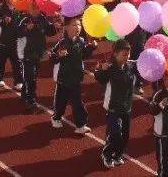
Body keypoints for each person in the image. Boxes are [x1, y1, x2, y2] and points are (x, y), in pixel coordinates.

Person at [49, 16, 95, 132]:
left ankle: (80, 125)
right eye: (74, 25)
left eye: (79, 25)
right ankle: (56, 117)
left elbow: (84, 55)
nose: (78, 27)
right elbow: (52, 59)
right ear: (67, 28)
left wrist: (91, 47)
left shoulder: (81, 41)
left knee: (78, 103)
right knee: (61, 103)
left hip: (76, 78)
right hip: (63, 79)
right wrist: (59, 55)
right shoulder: (62, 43)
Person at [94, 40, 135, 168]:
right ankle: (107, 154)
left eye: (128, 54)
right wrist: (101, 69)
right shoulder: (110, 68)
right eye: (124, 54)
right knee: (115, 134)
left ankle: (118, 155)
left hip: (126, 108)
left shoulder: (130, 67)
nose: (127, 57)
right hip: (113, 108)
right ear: (115, 54)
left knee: (125, 135)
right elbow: (100, 78)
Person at [16, 3, 56, 111]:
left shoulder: (43, 18)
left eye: (37, 7)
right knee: (31, 78)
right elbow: (16, 32)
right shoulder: (24, 19)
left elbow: (49, 32)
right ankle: (31, 101)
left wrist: (55, 26)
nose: (35, 9)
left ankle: (25, 94)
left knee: (32, 76)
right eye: (33, 7)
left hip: (38, 53)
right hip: (26, 54)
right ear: (28, 7)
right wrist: (26, 28)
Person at [0, 0, 21, 89]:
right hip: (3, 41)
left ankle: (18, 81)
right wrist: (3, 20)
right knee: (0, 62)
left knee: (17, 63)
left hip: (15, 41)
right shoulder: (1, 7)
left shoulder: (18, 8)